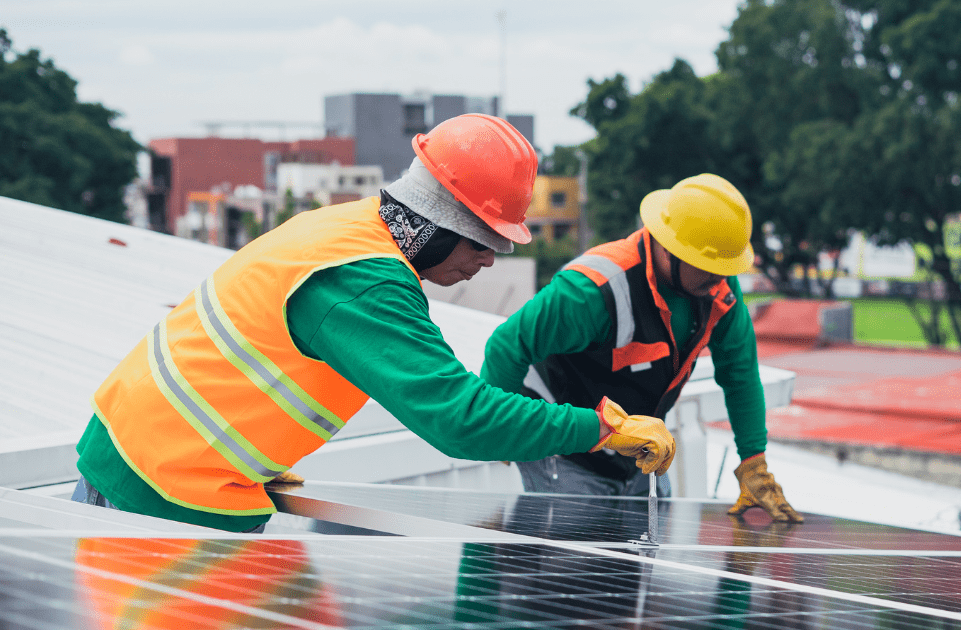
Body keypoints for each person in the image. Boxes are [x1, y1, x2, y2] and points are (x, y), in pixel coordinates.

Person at [71, 114, 675, 532]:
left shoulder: (348, 228)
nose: (490, 259)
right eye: (487, 240)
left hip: (157, 459)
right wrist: (600, 428)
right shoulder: (365, 281)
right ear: (443, 220)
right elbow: (459, 420)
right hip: (160, 486)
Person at [481, 173, 801, 522]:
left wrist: (753, 462)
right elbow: (506, 346)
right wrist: (502, 433)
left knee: (639, 563)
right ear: (669, 248)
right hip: (566, 451)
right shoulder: (592, 290)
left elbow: (740, 375)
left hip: (639, 452)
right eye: (710, 267)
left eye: (725, 269)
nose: (721, 279)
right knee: (577, 561)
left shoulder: (717, 291)